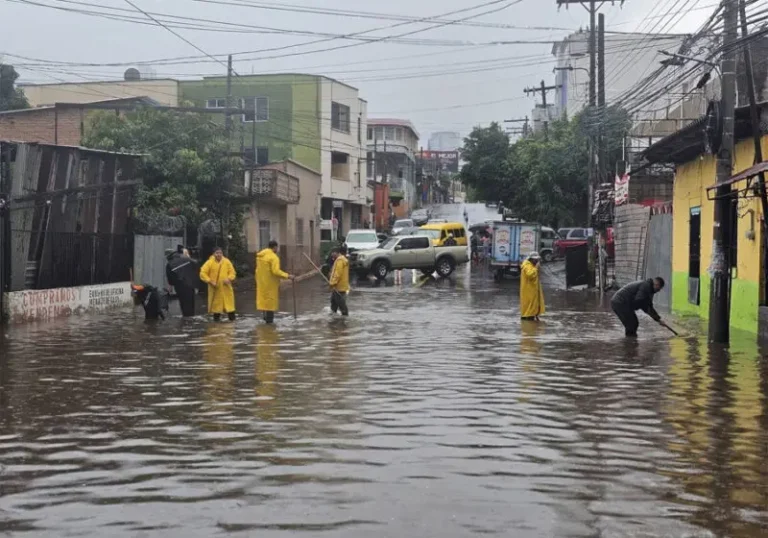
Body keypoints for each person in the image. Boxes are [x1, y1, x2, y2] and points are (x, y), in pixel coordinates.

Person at [256, 240, 294, 324]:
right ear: (275, 247)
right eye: (277, 247)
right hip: (270, 284)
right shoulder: (273, 257)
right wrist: (288, 276)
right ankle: (269, 326)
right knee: (270, 304)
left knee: (264, 303)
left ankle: (265, 324)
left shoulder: (260, 256)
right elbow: (276, 271)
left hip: (261, 283)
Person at [199, 247, 237, 321]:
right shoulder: (209, 262)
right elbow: (202, 273)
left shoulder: (226, 261)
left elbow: (232, 272)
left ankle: (232, 325)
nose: (219, 255)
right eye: (217, 253)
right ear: (214, 254)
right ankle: (216, 326)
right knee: (216, 310)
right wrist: (210, 281)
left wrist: (229, 278)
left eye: (220, 253)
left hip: (226, 288)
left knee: (230, 308)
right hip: (215, 289)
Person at [166, 245, 199, 317]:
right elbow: (197, 267)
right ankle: (191, 319)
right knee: (191, 303)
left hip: (180, 287)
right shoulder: (187, 259)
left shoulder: (170, 264)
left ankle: (186, 321)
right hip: (191, 285)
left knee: (184, 304)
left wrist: (172, 285)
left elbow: (170, 279)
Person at [520, 252, 545, 321]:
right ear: (531, 259)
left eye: (537, 259)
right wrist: (536, 268)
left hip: (532, 291)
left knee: (531, 307)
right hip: (529, 291)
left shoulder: (531, 265)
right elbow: (530, 275)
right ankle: (528, 323)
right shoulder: (527, 266)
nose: (537, 261)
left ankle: (530, 321)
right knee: (529, 308)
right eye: (535, 260)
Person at [329, 245, 350, 316]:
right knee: (333, 302)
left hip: (339, 287)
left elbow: (338, 273)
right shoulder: (342, 260)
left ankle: (345, 319)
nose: (331, 254)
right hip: (339, 287)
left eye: (332, 252)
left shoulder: (340, 260)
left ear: (337, 252)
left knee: (341, 305)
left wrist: (332, 283)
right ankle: (333, 317)